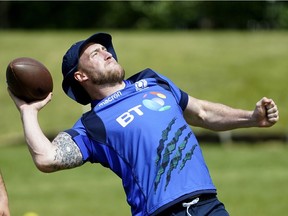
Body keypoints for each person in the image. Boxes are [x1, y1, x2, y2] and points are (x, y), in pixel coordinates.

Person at [8, 32, 279, 216]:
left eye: (105, 49)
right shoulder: (92, 124)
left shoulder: (153, 82)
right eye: (95, 54)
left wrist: (251, 118)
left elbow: (203, 113)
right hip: (163, 212)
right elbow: (47, 158)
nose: (106, 53)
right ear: (80, 76)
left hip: (209, 204)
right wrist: (28, 111)